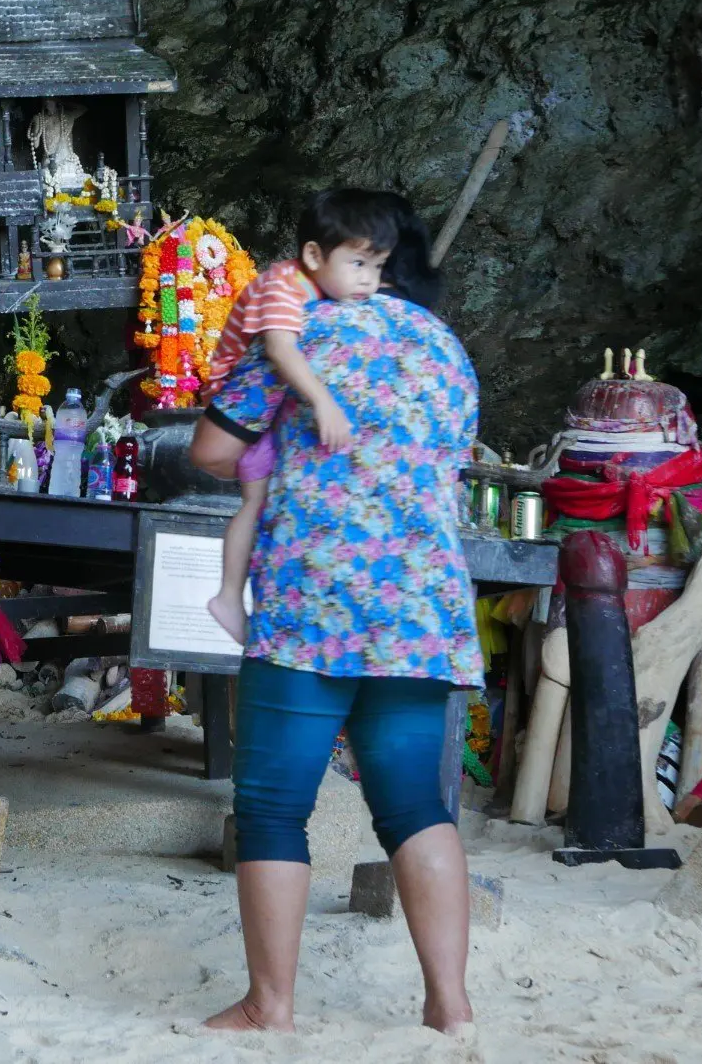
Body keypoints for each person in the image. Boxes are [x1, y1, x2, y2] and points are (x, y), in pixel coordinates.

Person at [187, 200, 484, 1038]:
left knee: (276, 805)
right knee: (414, 806)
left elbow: (212, 449)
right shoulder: (445, 347)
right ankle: (451, 1009)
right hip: (420, 608)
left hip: (312, 600)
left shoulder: (304, 331)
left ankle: (269, 1006)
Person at [206, 188, 397, 645]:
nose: (369, 280)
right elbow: (280, 349)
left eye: (377, 268)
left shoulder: (321, 287)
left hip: (274, 406)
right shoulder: (283, 286)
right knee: (256, 503)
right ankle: (228, 597)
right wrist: (324, 402)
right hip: (245, 409)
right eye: (358, 265)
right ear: (314, 254)